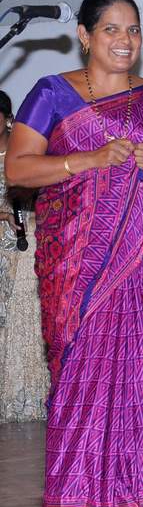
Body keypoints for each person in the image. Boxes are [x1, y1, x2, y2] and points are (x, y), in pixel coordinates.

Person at [4, 0, 143, 507]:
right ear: (85, 36)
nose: (125, 40)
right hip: (80, 263)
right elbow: (18, 169)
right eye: (112, 29)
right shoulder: (52, 93)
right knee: (85, 374)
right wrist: (87, 160)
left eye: (133, 29)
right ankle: (78, 495)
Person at [0, 89, 49, 422]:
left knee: (26, 319)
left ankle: (28, 399)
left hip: (25, 243)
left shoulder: (23, 153)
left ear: (8, 119)